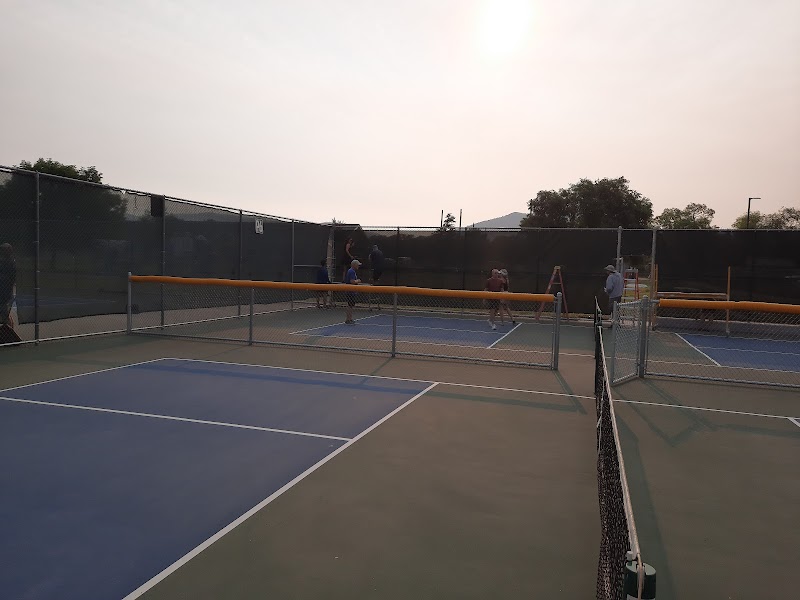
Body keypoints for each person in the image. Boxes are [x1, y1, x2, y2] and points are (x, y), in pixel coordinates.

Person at [0, 243, 17, 327]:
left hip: (5, 292)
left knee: (4, 311)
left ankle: (9, 329)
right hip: (4, 291)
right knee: (4, 311)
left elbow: (10, 278)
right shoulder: (4, 261)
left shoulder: (10, 263)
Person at [344, 259, 362, 324]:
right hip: (350, 291)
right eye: (357, 265)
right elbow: (352, 281)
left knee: (351, 305)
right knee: (350, 305)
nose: (358, 266)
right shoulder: (351, 271)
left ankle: (350, 318)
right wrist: (358, 281)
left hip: (352, 291)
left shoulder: (352, 271)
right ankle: (348, 318)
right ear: (354, 265)